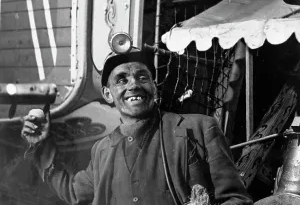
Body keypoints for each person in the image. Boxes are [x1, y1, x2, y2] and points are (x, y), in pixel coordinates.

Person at [22, 47, 253, 205]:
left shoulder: (201, 128)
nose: (133, 85)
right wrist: (42, 146)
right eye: (121, 80)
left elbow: (236, 199)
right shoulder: (102, 150)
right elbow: (74, 191)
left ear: (154, 87)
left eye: (142, 77)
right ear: (108, 94)